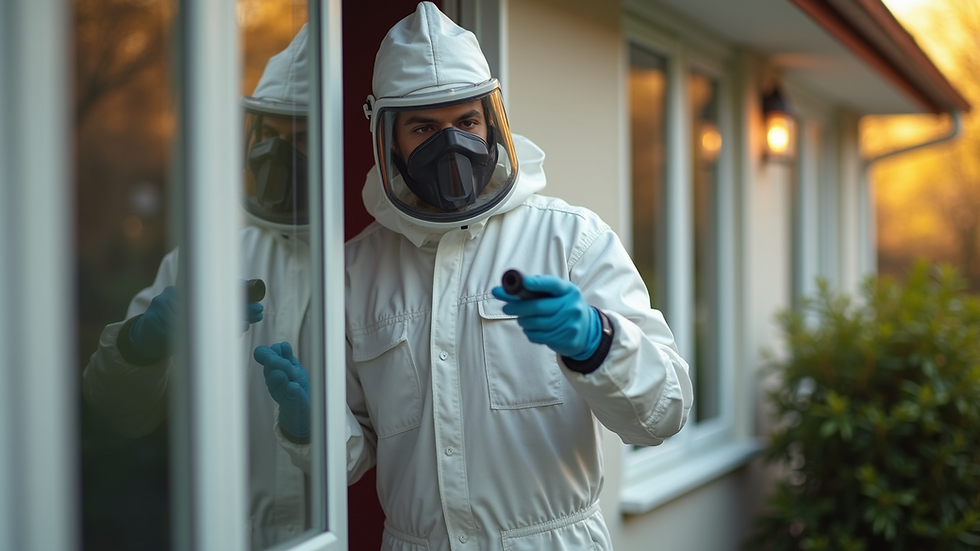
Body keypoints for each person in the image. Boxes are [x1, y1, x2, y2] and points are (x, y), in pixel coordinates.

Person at [266, 3, 695, 550]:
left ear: (491, 121)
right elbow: (352, 459)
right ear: (388, 138)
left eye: (467, 122)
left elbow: (663, 415)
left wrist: (598, 343)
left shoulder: (570, 239)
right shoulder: (356, 269)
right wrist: (310, 425)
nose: (452, 144)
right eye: (424, 127)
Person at [83, 25, 315, 550]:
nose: (278, 157)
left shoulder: (364, 261)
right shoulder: (207, 258)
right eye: (271, 137)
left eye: (300, 140)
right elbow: (117, 410)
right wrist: (139, 348)